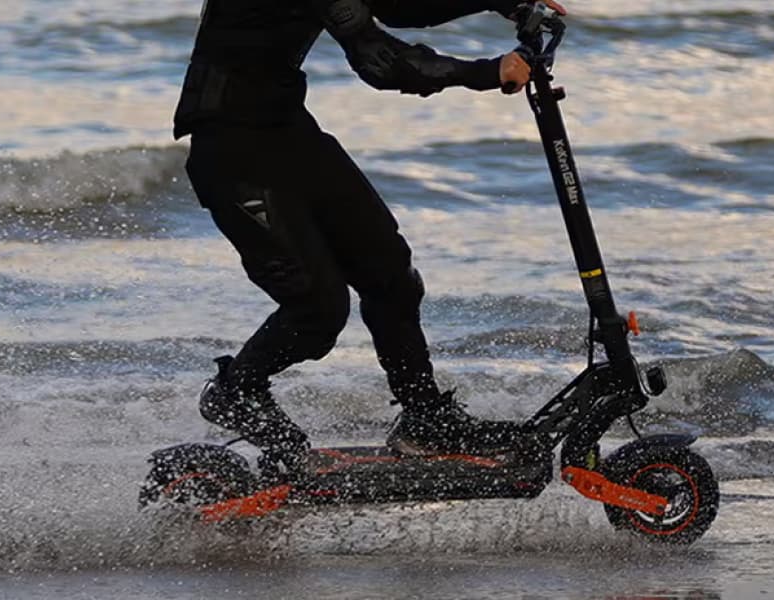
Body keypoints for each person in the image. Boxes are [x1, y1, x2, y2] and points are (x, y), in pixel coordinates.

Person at [175, 0, 565, 480]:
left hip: (289, 134)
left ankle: (425, 420)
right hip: (231, 155)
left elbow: (395, 7)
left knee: (391, 276)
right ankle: (236, 391)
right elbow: (380, 62)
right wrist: (486, 71)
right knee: (318, 311)